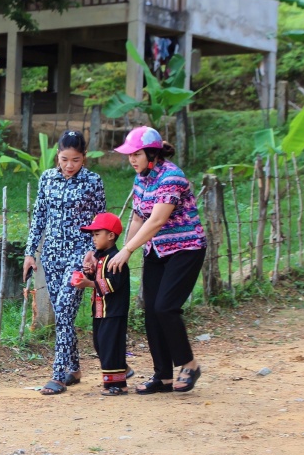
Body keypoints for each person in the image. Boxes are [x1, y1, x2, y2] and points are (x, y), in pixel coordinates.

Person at [106, 126, 206, 395]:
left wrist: (128, 250)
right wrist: (121, 251)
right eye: (129, 155)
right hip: (157, 251)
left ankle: (189, 364)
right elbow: (139, 217)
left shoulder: (171, 176)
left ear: (151, 153)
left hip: (186, 248)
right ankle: (163, 376)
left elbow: (158, 219)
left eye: (136, 154)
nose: (131, 159)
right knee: (151, 312)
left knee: (165, 307)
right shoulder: (142, 177)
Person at [22, 130, 106, 395]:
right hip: (52, 254)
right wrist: (30, 252)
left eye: (76, 160)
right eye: (64, 159)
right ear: (57, 155)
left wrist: (95, 252)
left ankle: (58, 375)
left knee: (65, 308)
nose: (69, 165)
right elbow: (39, 217)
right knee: (62, 315)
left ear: (84, 158)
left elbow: (101, 222)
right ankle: (75, 368)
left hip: (79, 255)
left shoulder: (93, 181)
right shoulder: (47, 178)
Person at [74, 212, 131, 396]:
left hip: (113, 312)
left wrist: (89, 283)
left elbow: (111, 284)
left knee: (110, 346)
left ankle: (118, 385)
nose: (94, 238)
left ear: (111, 235)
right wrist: (88, 273)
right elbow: (98, 278)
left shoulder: (116, 259)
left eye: (97, 234)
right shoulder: (99, 257)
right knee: (100, 345)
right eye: (93, 234)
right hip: (100, 311)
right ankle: (121, 372)